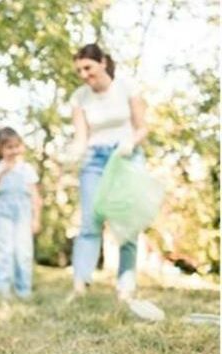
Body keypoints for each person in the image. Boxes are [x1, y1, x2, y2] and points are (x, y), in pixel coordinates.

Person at [68, 43, 148, 301]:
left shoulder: (126, 87)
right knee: (90, 221)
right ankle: (80, 286)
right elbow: (81, 137)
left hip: (126, 155)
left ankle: (126, 287)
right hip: (95, 158)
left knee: (127, 221)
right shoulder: (80, 97)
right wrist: (73, 153)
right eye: (79, 70)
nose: (83, 75)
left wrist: (131, 143)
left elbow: (142, 128)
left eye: (87, 67)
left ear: (102, 62)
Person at [0, 127, 41, 299]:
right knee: (4, 250)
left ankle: (23, 289)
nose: (13, 151)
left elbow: (35, 196)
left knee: (23, 251)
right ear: (1, 149)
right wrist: (2, 172)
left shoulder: (26, 169)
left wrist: (36, 218)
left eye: (16, 146)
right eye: (9, 147)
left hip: (23, 212)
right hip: (3, 211)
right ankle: (2, 289)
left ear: (22, 147)